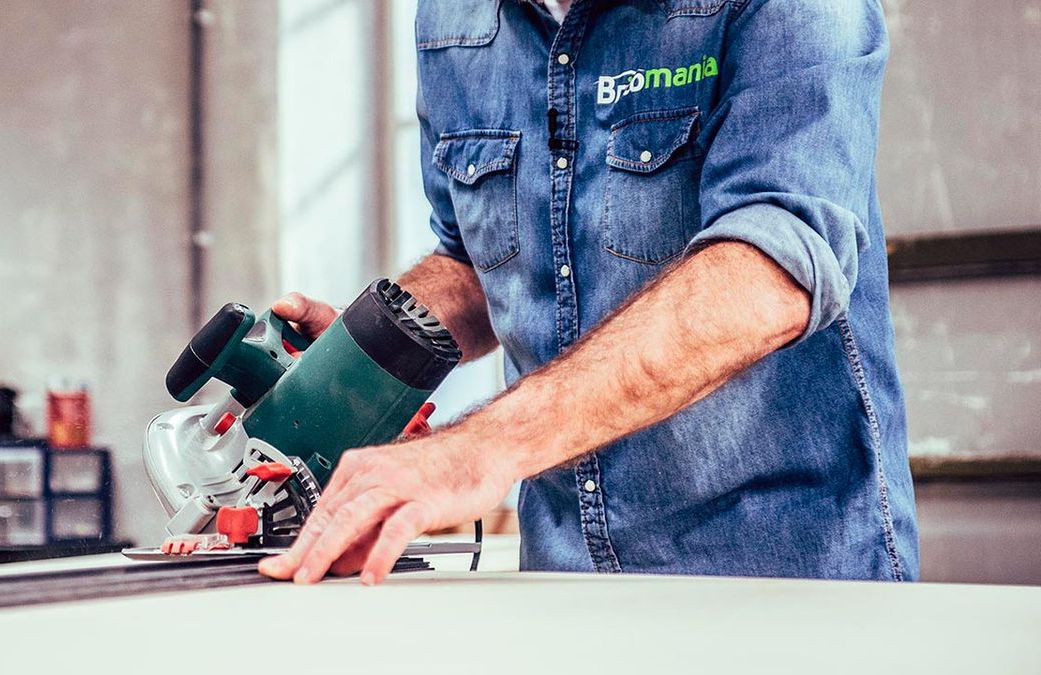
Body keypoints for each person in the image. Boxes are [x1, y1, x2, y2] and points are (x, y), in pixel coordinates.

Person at [259, 0, 918, 585]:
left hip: (784, 580)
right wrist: (373, 348)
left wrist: (478, 448)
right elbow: (478, 259)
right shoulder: (452, 20)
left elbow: (771, 271)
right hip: (563, 579)